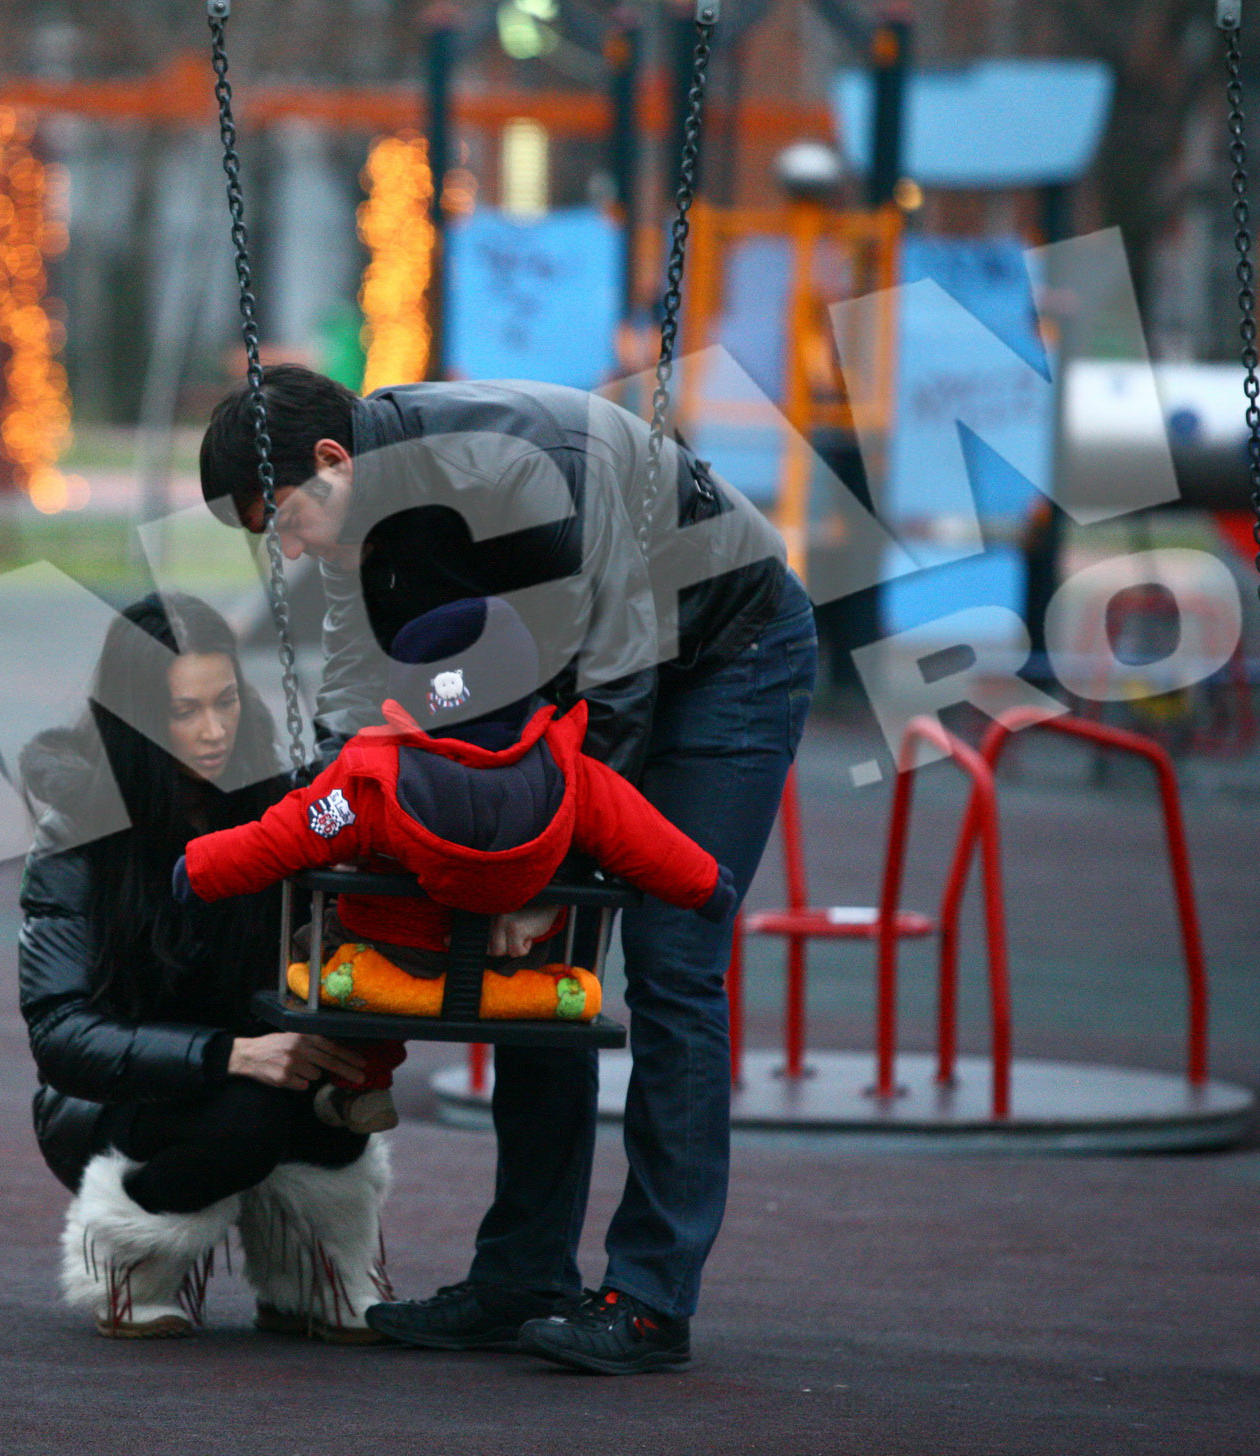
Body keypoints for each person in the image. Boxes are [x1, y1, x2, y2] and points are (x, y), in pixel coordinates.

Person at [199, 366, 817, 1375]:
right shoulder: (360, 520)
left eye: (284, 525)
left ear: (329, 462)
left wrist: (539, 873)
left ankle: (651, 1293)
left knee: (668, 955)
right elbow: (367, 703)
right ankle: (524, 1275)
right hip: (581, 674)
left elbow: (618, 673)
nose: (291, 551)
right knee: (527, 968)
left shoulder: (521, 469)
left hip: (725, 649)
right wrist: (324, 845)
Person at [174, 596, 737, 1136]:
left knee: (316, 938)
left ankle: (365, 1082)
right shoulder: (571, 773)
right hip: (514, 962)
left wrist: (200, 869)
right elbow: (647, 840)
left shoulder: (373, 778)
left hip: (395, 959)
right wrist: (708, 886)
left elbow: (286, 834)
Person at [18, 592, 392, 1342]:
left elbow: (377, 824)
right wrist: (227, 1054)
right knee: (245, 1120)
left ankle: (311, 1281)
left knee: (335, 1096)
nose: (214, 730)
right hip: (113, 1102)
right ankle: (131, 1260)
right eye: (184, 712)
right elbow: (60, 1036)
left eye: (226, 702)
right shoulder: (80, 829)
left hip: (259, 1064)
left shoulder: (281, 801)